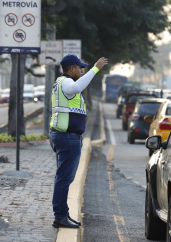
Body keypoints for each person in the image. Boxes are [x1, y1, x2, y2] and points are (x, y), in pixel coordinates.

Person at [49, 54, 108, 228]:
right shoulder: (67, 83)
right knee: (64, 178)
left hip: (64, 136)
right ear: (72, 68)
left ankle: (62, 214)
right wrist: (96, 68)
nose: (82, 71)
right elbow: (76, 87)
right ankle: (60, 216)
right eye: (80, 68)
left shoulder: (61, 83)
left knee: (63, 177)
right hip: (67, 137)